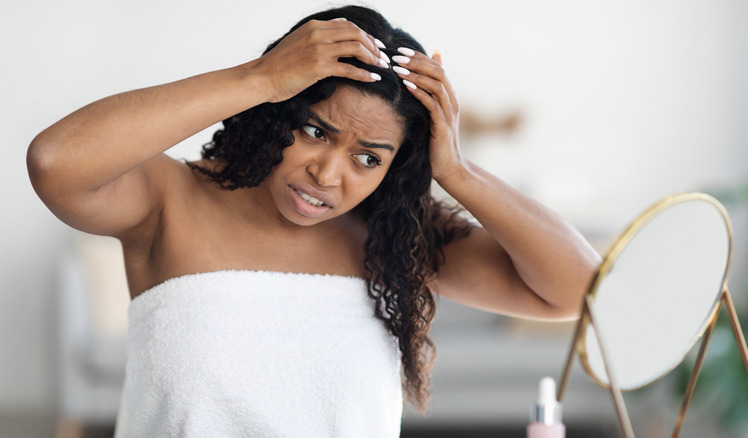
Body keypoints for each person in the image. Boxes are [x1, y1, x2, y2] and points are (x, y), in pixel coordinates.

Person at [27, 4, 601, 437]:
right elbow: (56, 163)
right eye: (315, 130)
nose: (328, 174)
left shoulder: (393, 236)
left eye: (368, 157)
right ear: (279, 107)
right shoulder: (169, 199)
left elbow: (580, 289)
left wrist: (458, 171)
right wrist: (259, 76)